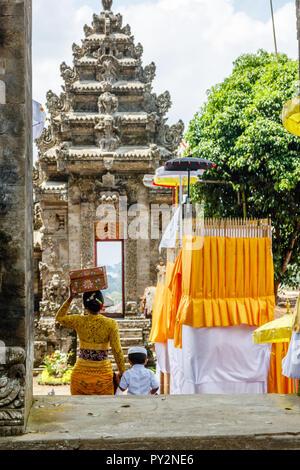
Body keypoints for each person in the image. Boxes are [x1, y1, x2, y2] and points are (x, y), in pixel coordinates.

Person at [55, 289, 125, 395]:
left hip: (80, 377)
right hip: (102, 379)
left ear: (85, 306)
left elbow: (59, 317)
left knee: (79, 410)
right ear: (102, 306)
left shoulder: (79, 321)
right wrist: (122, 372)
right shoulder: (111, 324)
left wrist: (70, 298)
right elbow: (117, 350)